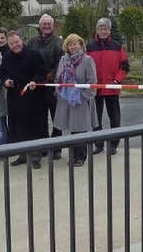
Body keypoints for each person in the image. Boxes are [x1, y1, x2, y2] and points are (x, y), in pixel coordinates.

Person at [0, 30, 47, 169]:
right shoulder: (6, 56)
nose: (15, 45)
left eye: (17, 42)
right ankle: (22, 155)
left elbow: (41, 71)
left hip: (33, 98)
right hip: (15, 97)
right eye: (12, 44)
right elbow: (2, 72)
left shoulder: (34, 55)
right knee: (19, 128)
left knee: (34, 127)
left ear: (22, 40)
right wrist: (6, 81)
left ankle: (36, 157)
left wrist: (35, 81)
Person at [86, 17, 130, 156]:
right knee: (96, 119)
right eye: (101, 28)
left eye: (106, 28)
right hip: (96, 89)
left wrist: (117, 81)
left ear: (109, 31)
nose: (103, 31)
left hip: (112, 88)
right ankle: (98, 144)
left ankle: (113, 144)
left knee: (114, 118)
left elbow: (124, 66)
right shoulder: (89, 47)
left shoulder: (118, 47)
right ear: (97, 31)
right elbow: (86, 67)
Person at [53, 34, 98, 167]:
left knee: (80, 128)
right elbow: (58, 78)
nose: (72, 47)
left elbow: (92, 81)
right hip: (66, 100)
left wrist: (84, 96)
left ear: (81, 45)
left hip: (80, 100)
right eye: (69, 44)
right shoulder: (63, 60)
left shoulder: (87, 60)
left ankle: (81, 156)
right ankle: (73, 155)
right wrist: (59, 92)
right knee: (72, 129)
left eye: (75, 44)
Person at [28, 14, 63, 159]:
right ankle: (43, 147)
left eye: (49, 24)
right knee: (40, 119)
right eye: (44, 24)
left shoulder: (58, 43)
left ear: (52, 26)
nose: (46, 26)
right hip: (37, 85)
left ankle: (56, 148)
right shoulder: (33, 41)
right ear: (40, 26)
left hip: (53, 85)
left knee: (57, 118)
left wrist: (52, 75)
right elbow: (28, 59)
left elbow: (61, 62)